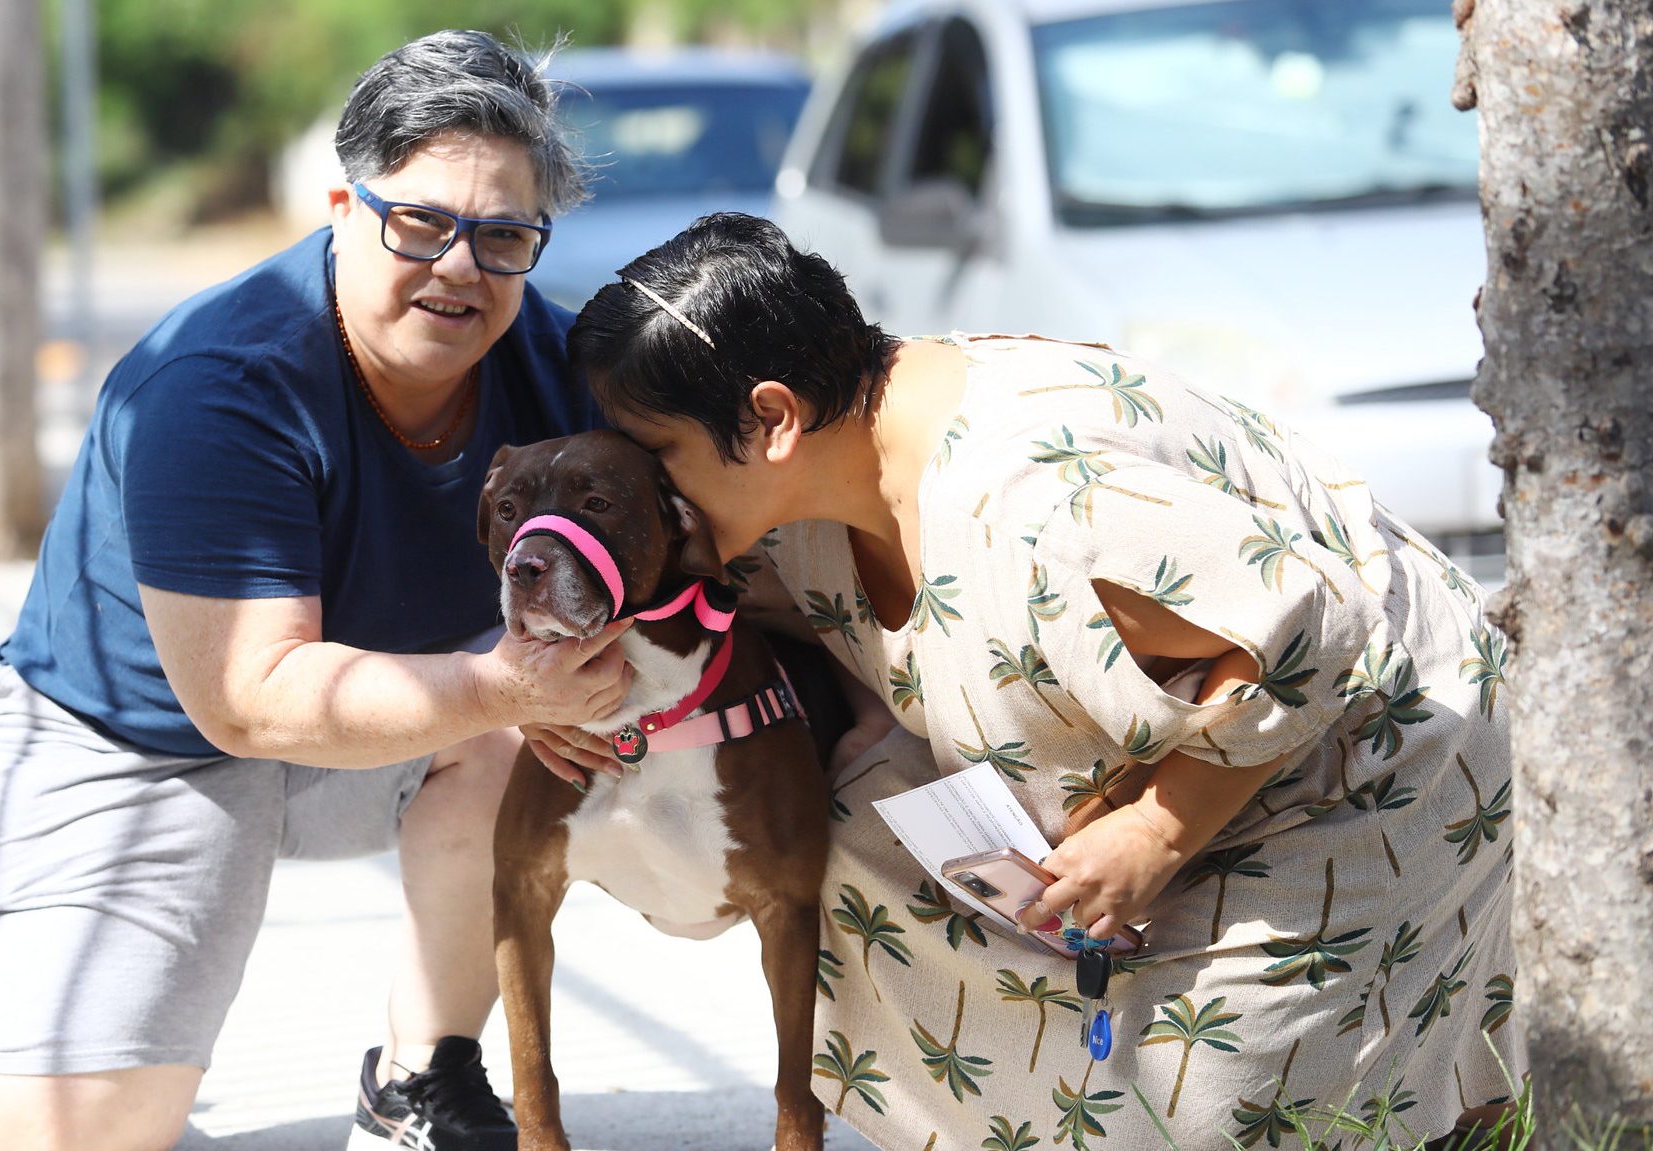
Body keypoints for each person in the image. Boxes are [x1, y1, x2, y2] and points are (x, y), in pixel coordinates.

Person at [550, 212, 1523, 1148]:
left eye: (661, 453)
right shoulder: (805, 482)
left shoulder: (1038, 502)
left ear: (769, 417)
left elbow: (1312, 635)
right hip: (1146, 790)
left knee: (1194, 1103)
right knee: (827, 834)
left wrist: (1157, 826)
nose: (654, 485)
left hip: (1363, 760)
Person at [0, 31, 632, 1151]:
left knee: (516, 719)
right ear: (343, 207)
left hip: (404, 722)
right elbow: (247, 700)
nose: (461, 266)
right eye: (421, 223)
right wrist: (505, 686)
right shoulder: (220, 381)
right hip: (145, 737)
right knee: (78, 1133)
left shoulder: (559, 367)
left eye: (502, 236)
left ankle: (422, 1073)